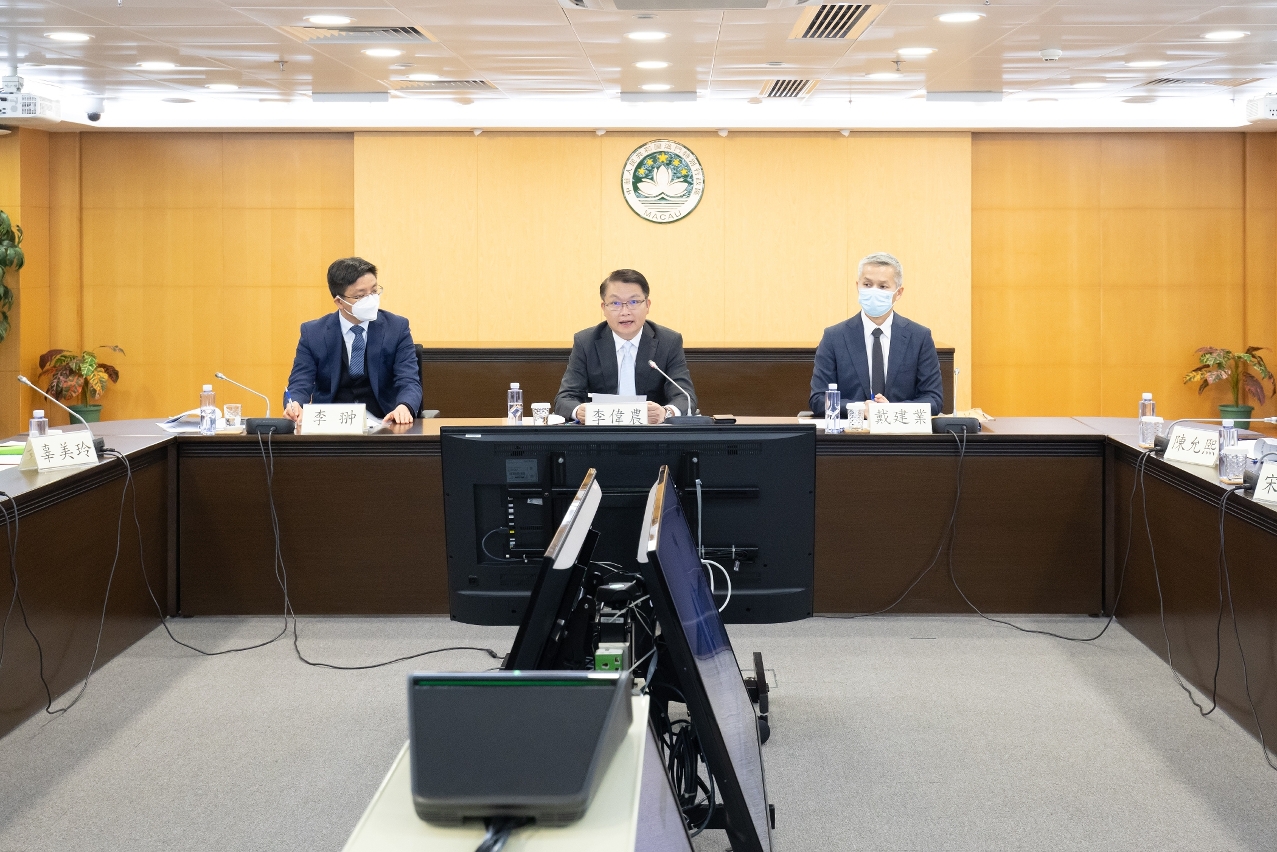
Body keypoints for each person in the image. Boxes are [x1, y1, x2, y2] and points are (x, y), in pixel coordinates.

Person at [284, 257, 422, 425]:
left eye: (374, 291)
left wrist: (405, 406)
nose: (370, 300)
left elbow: (409, 381)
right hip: (330, 425)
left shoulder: (396, 328)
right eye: (360, 296)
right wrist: (295, 404)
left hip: (385, 422)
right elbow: (300, 381)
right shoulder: (313, 333)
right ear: (339, 302)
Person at [554, 269, 698, 423]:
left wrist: (666, 412)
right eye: (615, 303)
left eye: (633, 302)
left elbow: (685, 396)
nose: (625, 311)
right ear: (604, 308)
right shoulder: (586, 342)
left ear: (647, 305)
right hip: (602, 434)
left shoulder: (668, 341)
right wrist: (579, 411)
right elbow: (564, 398)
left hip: (652, 434)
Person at [809, 252, 943, 416]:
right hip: (851, 430)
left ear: (898, 293)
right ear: (857, 287)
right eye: (867, 284)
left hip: (900, 430)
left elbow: (933, 399)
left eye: (882, 287)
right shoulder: (834, 337)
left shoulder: (919, 337)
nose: (873, 291)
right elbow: (818, 399)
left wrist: (891, 410)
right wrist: (859, 409)